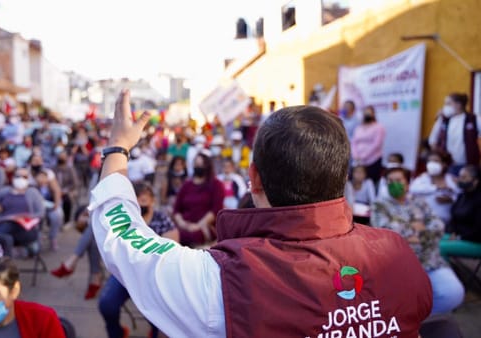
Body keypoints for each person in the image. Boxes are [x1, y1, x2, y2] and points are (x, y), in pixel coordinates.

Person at [89, 91, 433, 337]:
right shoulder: (396, 252)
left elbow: (124, 239)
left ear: (253, 178)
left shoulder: (221, 282)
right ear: (341, 175)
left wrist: (118, 150)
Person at [371, 167, 464, 315]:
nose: (393, 184)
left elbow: (438, 226)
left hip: (429, 259)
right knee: (398, 299)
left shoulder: (419, 202)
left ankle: (418, 318)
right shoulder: (380, 205)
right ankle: (406, 321)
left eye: (398, 180)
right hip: (398, 263)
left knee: (453, 293)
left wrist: (407, 232)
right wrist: (419, 229)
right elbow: (386, 231)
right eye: (390, 181)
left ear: (407, 183)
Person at [98, 182, 176, 338]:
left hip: (154, 277)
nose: (142, 204)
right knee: (106, 304)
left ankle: (155, 333)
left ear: (153, 201)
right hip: (126, 273)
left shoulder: (162, 220)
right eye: (138, 200)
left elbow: (172, 249)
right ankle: (117, 334)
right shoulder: (126, 220)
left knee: (160, 312)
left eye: (145, 200)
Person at [51, 206, 104, 299]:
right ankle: (95, 277)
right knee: (94, 234)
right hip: (101, 222)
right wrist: (86, 212)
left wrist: (88, 219)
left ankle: (71, 263)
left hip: (117, 227)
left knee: (93, 227)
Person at [0, 168, 45, 256]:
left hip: (25, 226)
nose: (21, 179)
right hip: (5, 222)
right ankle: (6, 256)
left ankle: (15, 252)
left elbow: (41, 213)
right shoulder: (6, 191)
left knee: (8, 234)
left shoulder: (33, 193)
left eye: (24, 177)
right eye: (18, 176)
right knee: (4, 232)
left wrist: (25, 216)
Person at [173, 153, 225, 247]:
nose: (198, 167)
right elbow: (177, 210)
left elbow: (215, 210)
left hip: (205, 227)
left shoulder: (216, 185)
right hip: (184, 225)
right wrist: (183, 224)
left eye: (201, 165)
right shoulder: (186, 185)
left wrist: (198, 226)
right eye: (196, 164)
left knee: (182, 236)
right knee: (170, 234)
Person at [429, 93, 481, 174]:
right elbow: (432, 140)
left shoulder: (473, 119)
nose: (445, 106)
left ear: (458, 105)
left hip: (469, 166)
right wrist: (440, 155)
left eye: (448, 104)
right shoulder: (443, 120)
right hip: (448, 166)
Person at [410, 151, 459, 224]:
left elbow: (460, 196)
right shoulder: (423, 178)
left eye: (436, 161)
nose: (432, 163)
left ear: (444, 164)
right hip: (425, 221)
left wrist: (451, 199)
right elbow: (413, 189)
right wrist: (436, 187)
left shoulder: (451, 179)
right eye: (429, 161)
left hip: (448, 221)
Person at [351, 105, 386, 183]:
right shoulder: (358, 127)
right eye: (365, 112)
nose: (367, 114)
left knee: (371, 182)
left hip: (373, 160)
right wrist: (355, 155)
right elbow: (354, 142)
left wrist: (363, 156)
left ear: (373, 114)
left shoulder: (379, 127)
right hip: (358, 161)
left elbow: (377, 144)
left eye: (369, 112)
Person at [33, 169, 63, 250]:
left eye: (44, 177)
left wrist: (56, 205)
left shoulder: (50, 186)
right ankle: (37, 240)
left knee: (57, 215)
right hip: (37, 210)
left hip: (50, 207)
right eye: (40, 177)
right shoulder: (33, 187)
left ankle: (53, 238)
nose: (42, 179)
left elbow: (57, 194)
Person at [53, 151, 80, 224]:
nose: (61, 158)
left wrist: (64, 191)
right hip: (55, 190)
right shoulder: (54, 169)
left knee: (67, 200)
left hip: (67, 191)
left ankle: (66, 220)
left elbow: (74, 183)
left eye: (63, 156)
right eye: (60, 156)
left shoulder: (70, 169)